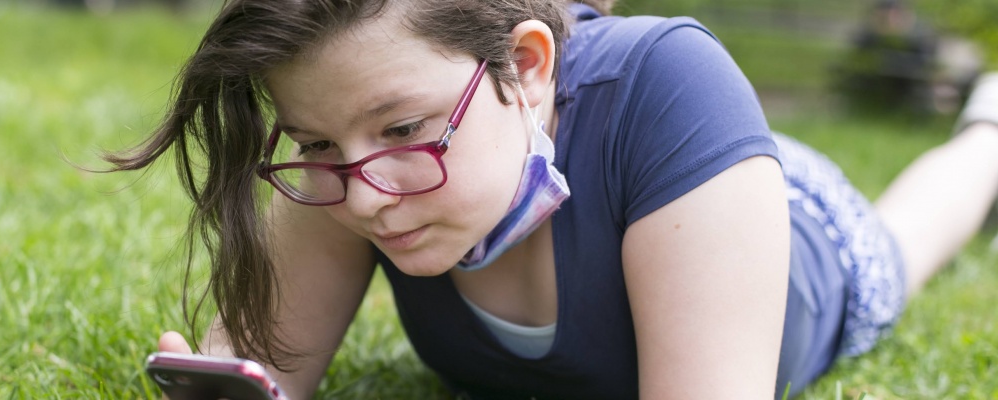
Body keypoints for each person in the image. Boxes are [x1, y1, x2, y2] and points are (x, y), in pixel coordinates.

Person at [103, 0, 998, 398]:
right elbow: (263, 376)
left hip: (784, 216)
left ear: (526, 67)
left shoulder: (672, 82)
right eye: (317, 144)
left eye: (407, 129)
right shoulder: (354, 156)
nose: (367, 198)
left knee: (910, 235)